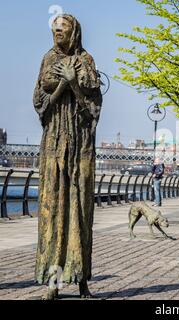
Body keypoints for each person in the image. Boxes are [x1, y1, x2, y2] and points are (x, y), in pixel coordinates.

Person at [33, 14, 102, 300]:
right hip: (53, 145)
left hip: (81, 148)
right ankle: (54, 282)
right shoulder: (48, 59)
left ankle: (82, 279)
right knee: (53, 212)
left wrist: (74, 83)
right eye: (55, 29)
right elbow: (41, 106)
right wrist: (62, 86)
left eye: (62, 29)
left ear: (73, 32)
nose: (57, 32)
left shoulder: (86, 60)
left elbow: (93, 111)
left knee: (80, 211)